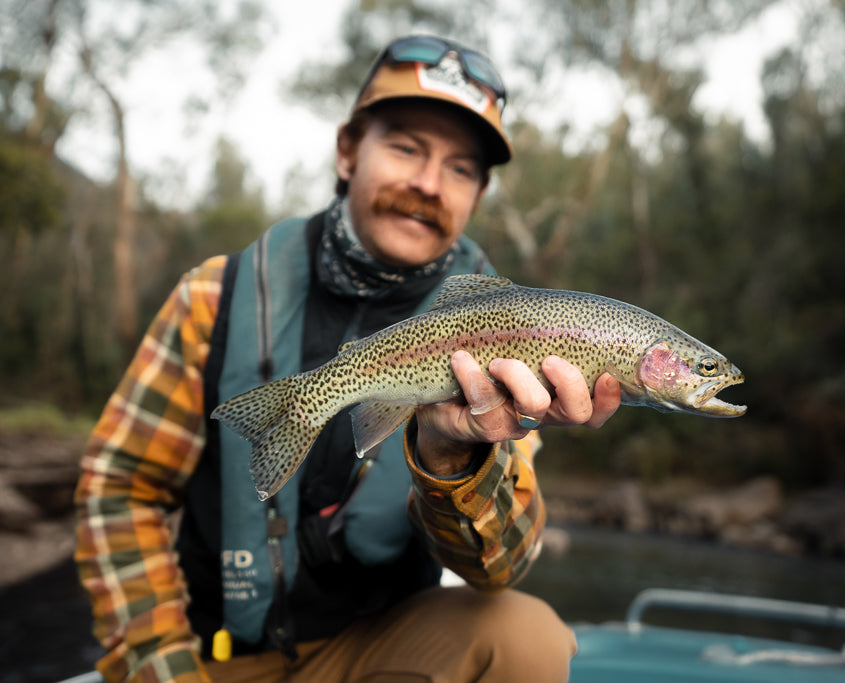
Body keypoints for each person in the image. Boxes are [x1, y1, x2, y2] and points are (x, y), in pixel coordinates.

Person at [74, 34, 622, 683]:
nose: (427, 183)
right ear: (346, 151)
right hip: (217, 660)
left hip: (375, 652)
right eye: (405, 146)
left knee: (526, 637)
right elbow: (120, 488)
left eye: (460, 168)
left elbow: (498, 566)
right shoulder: (212, 298)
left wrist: (452, 454)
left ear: (478, 193)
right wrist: (162, 667)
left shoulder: (511, 331)